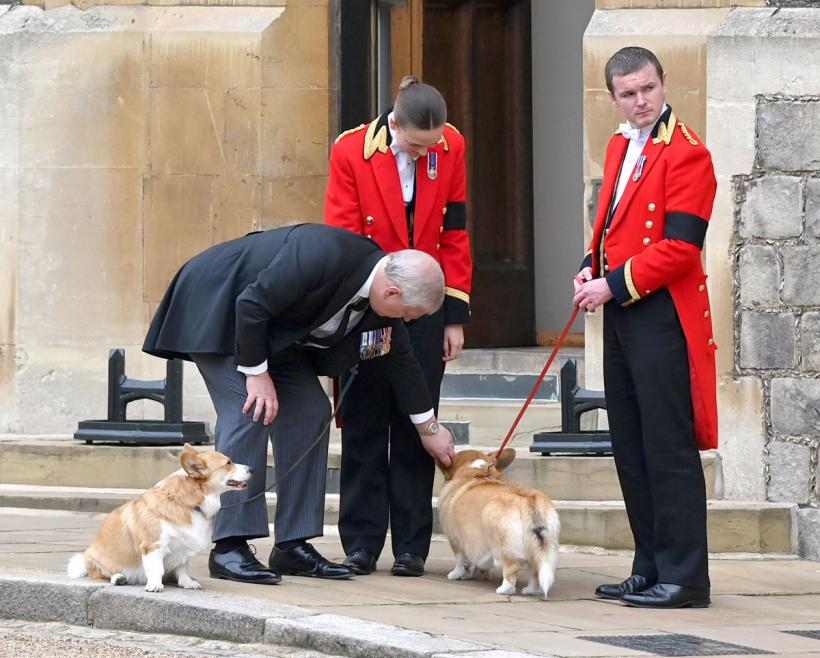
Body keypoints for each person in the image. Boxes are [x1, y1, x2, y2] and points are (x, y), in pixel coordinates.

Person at [143, 223, 456, 585]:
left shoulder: (380, 302)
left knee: (312, 410)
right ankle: (230, 546)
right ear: (392, 292)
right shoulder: (322, 253)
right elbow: (251, 303)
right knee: (251, 409)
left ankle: (292, 544)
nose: (406, 320)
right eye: (408, 313)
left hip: (274, 335)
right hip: (220, 310)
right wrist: (257, 375)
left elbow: (400, 359)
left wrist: (428, 427)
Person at [572, 47, 717, 609]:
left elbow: (681, 247)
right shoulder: (617, 145)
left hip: (663, 313)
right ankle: (649, 564)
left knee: (667, 446)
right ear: (613, 96)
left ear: (663, 84)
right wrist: (591, 263)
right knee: (629, 443)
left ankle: (685, 578)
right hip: (623, 310)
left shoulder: (688, 154)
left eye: (648, 89)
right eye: (628, 93)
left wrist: (612, 283)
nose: (640, 102)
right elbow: (609, 221)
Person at [324, 76, 472, 577]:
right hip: (373, 298)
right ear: (394, 125)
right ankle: (361, 543)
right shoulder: (350, 150)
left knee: (417, 423)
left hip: (426, 303)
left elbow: (455, 232)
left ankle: (412, 546)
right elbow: (342, 236)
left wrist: (455, 315)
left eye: (430, 145)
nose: (424, 152)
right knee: (364, 422)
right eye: (414, 144)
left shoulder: (451, 146)